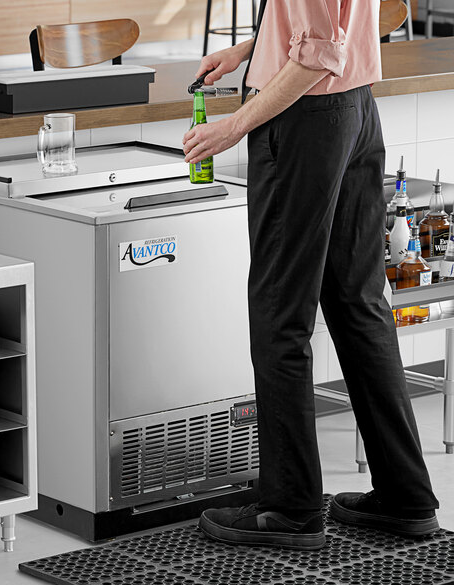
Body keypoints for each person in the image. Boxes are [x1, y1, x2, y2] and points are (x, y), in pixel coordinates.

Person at [183, 0, 440, 550]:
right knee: (358, 304)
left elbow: (317, 56)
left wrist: (234, 126)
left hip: (301, 122)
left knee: (280, 314)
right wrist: (249, 52)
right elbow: (332, 31)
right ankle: (406, 497)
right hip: (355, 112)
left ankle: (291, 507)